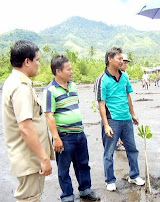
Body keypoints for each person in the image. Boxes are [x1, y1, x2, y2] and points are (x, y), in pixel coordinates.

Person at [2, 40, 54, 201]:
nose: (39, 64)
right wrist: (44, 158)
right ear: (27, 61)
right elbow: (25, 128)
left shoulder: (15, 81)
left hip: (28, 158)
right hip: (29, 159)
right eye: (37, 60)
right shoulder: (21, 87)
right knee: (30, 198)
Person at [43, 55, 100, 202]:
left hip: (80, 134)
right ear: (58, 71)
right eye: (68, 69)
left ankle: (85, 190)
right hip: (64, 136)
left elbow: (74, 107)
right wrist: (56, 137)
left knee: (83, 164)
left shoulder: (73, 86)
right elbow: (49, 116)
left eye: (71, 69)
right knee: (64, 169)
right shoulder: (50, 90)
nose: (71, 72)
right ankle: (67, 196)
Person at [94, 47, 145, 191]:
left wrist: (133, 114)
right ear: (110, 59)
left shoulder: (125, 76)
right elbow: (101, 104)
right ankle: (110, 180)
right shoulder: (102, 79)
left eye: (122, 59)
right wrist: (106, 125)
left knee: (132, 149)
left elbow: (128, 96)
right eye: (119, 58)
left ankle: (134, 175)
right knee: (109, 152)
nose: (122, 61)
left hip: (126, 119)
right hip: (112, 121)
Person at [115, 53, 131, 151]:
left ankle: (121, 142)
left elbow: (128, 94)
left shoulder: (125, 75)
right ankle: (118, 143)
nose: (125, 64)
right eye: (124, 62)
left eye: (126, 62)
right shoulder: (114, 75)